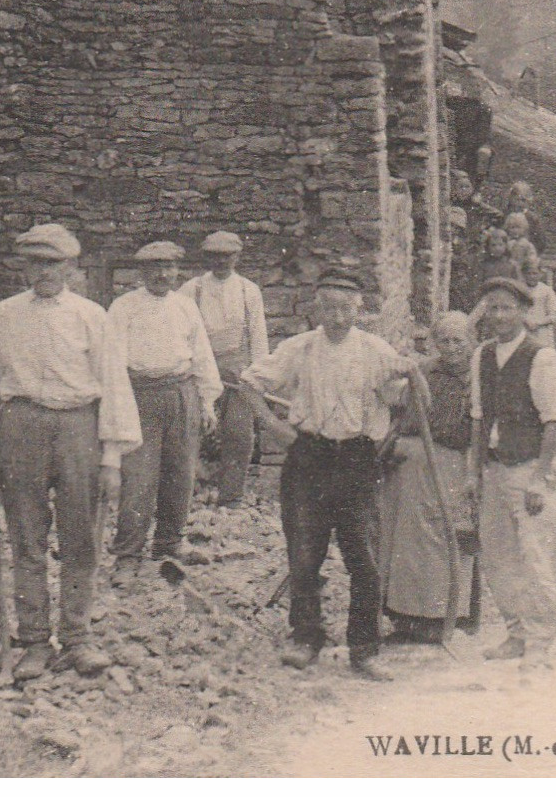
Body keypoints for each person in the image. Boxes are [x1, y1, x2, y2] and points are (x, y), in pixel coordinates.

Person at [0, 224, 142, 680]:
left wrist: (112, 458)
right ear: (24, 266)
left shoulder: (91, 316)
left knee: (82, 534)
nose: (44, 272)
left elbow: (115, 387)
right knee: (26, 535)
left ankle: (77, 637)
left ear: (70, 267)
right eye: (35, 263)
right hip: (20, 426)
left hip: (80, 425)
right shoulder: (3, 315)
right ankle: (35, 639)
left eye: (53, 263)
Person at [242, 270, 422, 682]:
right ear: (316, 309)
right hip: (309, 456)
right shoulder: (299, 348)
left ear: (360, 310)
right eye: (330, 308)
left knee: (365, 558)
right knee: (305, 553)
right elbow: (250, 383)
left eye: (347, 308)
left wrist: (407, 378)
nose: (338, 317)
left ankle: (364, 648)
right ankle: (306, 638)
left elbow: (404, 398)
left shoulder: (376, 350)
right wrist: (275, 427)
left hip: (357, 460)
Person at [108, 242, 222, 586]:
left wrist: (207, 401)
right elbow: (112, 362)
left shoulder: (186, 307)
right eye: (154, 268)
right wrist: (118, 407)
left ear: (177, 271)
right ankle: (127, 555)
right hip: (139, 396)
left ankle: (170, 541)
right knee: (138, 479)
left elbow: (201, 355)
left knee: (181, 473)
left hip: (181, 392)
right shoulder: (123, 308)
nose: (161, 275)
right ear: (141, 273)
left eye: (169, 267)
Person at [470, 278, 556, 661]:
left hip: (530, 469)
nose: (498, 316)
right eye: (492, 308)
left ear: (524, 313)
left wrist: (540, 477)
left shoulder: (541, 357)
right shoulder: (481, 356)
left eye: (507, 308)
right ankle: (516, 634)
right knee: (498, 557)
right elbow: (478, 417)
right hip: (495, 469)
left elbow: (554, 422)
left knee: (535, 556)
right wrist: (473, 472)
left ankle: (542, 638)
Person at [378, 311, 478, 644]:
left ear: (470, 341)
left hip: (451, 463)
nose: (451, 348)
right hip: (413, 463)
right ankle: (405, 616)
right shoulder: (423, 371)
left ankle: (442, 616)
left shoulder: (476, 376)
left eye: (458, 340)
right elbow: (396, 406)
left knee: (445, 534)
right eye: (444, 340)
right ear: (435, 342)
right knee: (406, 538)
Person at [179, 231, 272, 507]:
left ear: (237, 257)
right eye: (215, 256)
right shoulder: (191, 289)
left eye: (227, 256)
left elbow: (258, 336)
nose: (221, 262)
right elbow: (182, 334)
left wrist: (257, 377)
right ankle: (190, 493)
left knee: (239, 432)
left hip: (238, 372)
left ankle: (231, 496)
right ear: (207, 258)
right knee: (191, 429)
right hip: (200, 367)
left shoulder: (248, 290)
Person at [522, 258, 556, 351]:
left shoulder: (546, 290)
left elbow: (552, 316)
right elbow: (515, 310)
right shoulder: (520, 290)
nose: (532, 276)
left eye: (535, 273)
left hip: (542, 332)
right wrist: (526, 320)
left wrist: (537, 323)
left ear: (540, 274)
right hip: (523, 329)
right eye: (529, 273)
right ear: (524, 274)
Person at [503, 180, 547, 255]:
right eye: (517, 200)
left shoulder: (532, 218)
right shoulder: (507, 215)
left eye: (523, 200)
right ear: (511, 200)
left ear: (528, 202)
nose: (519, 203)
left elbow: (540, 241)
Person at [504, 212, 540, 278]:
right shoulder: (506, 243)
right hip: (508, 271)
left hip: (522, 272)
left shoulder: (527, 244)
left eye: (518, 227)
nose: (515, 230)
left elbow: (532, 260)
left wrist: (528, 261)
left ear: (524, 229)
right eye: (512, 227)